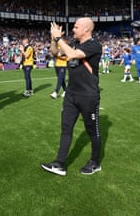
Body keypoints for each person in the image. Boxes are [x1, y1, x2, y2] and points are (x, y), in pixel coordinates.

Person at [41, 18, 102, 176]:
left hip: (88, 96)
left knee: (92, 131)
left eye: (76, 27)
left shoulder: (94, 45)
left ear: (86, 29)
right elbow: (55, 53)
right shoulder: (74, 44)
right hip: (71, 95)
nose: (73, 29)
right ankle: (59, 163)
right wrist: (53, 39)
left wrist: (58, 38)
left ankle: (95, 162)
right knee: (66, 129)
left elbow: (73, 55)